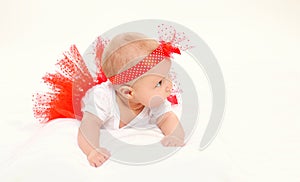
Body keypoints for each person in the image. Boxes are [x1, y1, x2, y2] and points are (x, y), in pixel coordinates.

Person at [33, 25, 189, 168]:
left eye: (167, 76)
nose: (170, 85)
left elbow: (167, 118)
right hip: (91, 104)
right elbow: (89, 127)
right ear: (129, 93)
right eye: (159, 83)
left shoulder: (155, 101)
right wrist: (92, 150)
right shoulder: (102, 99)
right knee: (84, 112)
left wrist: (175, 135)